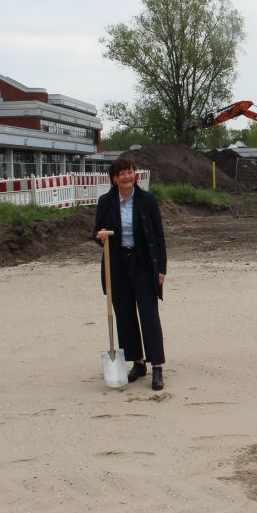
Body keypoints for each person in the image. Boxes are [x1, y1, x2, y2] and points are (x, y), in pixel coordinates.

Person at [94, 157, 168, 391]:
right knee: (124, 314)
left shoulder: (147, 200)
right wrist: (101, 236)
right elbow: (97, 231)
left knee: (148, 314)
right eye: (122, 173)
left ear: (135, 175)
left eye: (130, 172)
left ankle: (156, 366)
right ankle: (138, 363)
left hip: (144, 263)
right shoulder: (106, 201)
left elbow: (158, 236)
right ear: (114, 178)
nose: (127, 176)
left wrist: (161, 268)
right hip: (117, 264)